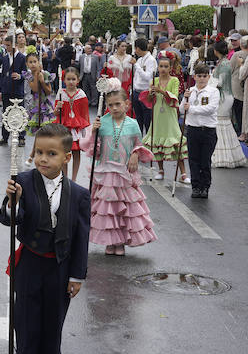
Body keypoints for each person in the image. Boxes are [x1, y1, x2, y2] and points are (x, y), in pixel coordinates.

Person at [0, 122, 90, 354]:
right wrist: (12, 202)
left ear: (66, 157)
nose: (43, 159)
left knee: (53, 328)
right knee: (26, 326)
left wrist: (77, 275)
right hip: (29, 266)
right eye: (39, 152)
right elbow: (8, 219)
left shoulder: (78, 194)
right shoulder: (22, 182)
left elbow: (81, 237)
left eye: (51, 153)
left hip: (60, 269)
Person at [80, 89, 156, 255]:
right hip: (106, 172)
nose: (114, 108)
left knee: (124, 208)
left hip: (124, 172)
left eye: (117, 104)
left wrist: (135, 154)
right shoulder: (103, 122)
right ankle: (110, 241)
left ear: (127, 105)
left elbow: (138, 143)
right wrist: (94, 131)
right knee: (108, 209)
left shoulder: (133, 124)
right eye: (110, 105)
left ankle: (120, 242)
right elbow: (92, 148)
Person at [143, 51, 187, 182]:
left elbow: (174, 97)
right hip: (157, 114)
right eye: (161, 66)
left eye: (166, 66)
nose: (163, 69)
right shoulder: (154, 80)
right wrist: (150, 93)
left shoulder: (175, 80)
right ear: (157, 67)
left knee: (174, 140)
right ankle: (160, 170)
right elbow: (150, 101)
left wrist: (161, 91)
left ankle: (183, 173)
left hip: (170, 115)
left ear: (170, 68)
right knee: (157, 140)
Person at [182, 63, 221, 198]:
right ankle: (195, 186)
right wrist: (185, 98)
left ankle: (205, 186)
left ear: (208, 77)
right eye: (199, 76)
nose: (202, 79)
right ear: (194, 77)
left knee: (205, 160)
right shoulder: (190, 91)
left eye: (204, 76)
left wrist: (192, 109)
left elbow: (210, 109)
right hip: (193, 130)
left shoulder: (213, 91)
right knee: (193, 159)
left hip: (208, 130)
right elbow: (182, 109)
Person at [54, 65, 89, 180]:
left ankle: (73, 178)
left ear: (78, 80)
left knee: (76, 153)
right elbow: (55, 113)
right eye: (68, 79)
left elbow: (84, 114)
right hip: (64, 126)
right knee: (64, 152)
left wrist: (85, 130)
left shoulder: (81, 94)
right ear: (64, 80)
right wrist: (58, 108)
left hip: (76, 127)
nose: (71, 82)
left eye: (73, 79)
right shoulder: (60, 93)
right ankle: (65, 177)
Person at [0, 34, 29, 145]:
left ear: (14, 45)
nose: (7, 48)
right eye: (5, 45)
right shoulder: (5, 57)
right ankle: (4, 137)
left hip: (17, 89)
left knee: (19, 113)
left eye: (8, 45)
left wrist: (20, 76)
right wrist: (0, 90)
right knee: (6, 113)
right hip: (6, 89)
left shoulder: (22, 57)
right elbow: (2, 75)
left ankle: (21, 137)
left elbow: (27, 74)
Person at [131, 38, 156, 133]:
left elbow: (148, 77)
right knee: (138, 119)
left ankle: (148, 142)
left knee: (147, 119)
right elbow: (136, 77)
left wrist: (136, 66)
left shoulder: (151, 60)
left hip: (145, 92)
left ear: (138, 48)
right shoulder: (140, 59)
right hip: (136, 91)